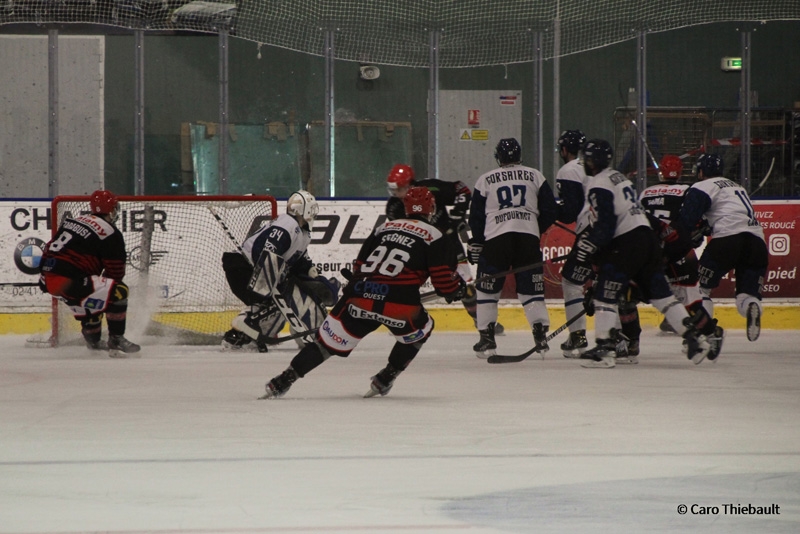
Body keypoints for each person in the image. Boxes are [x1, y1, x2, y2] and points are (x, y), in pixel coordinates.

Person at [259, 186, 465, 399]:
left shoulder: (383, 228)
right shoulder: (436, 235)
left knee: (324, 344)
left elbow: (359, 265)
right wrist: (455, 290)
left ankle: (283, 380)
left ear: (406, 207)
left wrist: (372, 288)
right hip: (399, 304)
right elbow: (443, 282)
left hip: (360, 297)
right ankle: (385, 377)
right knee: (422, 329)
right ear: (431, 209)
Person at [574, 139, 711, 368]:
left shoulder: (598, 183)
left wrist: (588, 246)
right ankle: (694, 338)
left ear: (593, 161)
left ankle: (604, 350)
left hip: (628, 242)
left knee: (605, 293)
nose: (585, 163)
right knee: (662, 295)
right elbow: (640, 215)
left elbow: (606, 225)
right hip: (647, 240)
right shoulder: (619, 178)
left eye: (587, 159)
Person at [384, 163, 503, 333]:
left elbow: (462, 189)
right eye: (393, 191)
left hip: (449, 246)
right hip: (420, 252)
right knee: (405, 284)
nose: (396, 195)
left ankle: (481, 321)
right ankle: (400, 319)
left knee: (467, 287)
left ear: (411, 184)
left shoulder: (431, 189)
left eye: (400, 189)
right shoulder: (394, 207)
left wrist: (457, 215)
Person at [467, 137, 559, 357]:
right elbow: (550, 209)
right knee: (531, 291)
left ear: (498, 157)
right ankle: (540, 336)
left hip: (496, 239)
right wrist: (534, 227)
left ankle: (487, 339)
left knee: (487, 290)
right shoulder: (535, 175)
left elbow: (477, 216)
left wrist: (478, 240)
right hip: (527, 239)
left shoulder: (486, 179)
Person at [221, 190, 338, 351]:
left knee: (276, 303)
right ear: (302, 209)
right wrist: (269, 278)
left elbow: (299, 263)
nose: (313, 213)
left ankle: (248, 336)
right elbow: (266, 249)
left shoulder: (303, 233)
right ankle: (239, 331)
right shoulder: (288, 224)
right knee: (274, 301)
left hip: (250, 268)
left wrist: (314, 276)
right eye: (311, 208)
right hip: (242, 268)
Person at [674, 153, 768, 342]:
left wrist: (683, 239)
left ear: (701, 171)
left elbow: (686, 222)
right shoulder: (737, 186)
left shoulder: (702, 186)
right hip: (757, 242)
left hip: (727, 240)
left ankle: (707, 334)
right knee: (747, 294)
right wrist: (707, 227)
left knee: (701, 289)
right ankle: (752, 305)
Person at [39, 189, 140, 357]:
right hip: (70, 281)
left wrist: (43, 275)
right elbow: (116, 272)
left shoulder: (73, 221)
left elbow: (49, 247)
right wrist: (109, 293)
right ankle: (116, 338)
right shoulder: (110, 233)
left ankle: (93, 342)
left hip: (50, 280)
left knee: (92, 300)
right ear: (112, 209)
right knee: (119, 291)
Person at [553, 129, 593, 358]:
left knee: (571, 281)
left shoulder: (568, 170)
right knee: (610, 282)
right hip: (618, 230)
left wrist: (550, 210)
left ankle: (578, 336)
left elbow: (569, 213)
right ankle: (620, 338)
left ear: (565, 150)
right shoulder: (600, 168)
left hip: (591, 232)